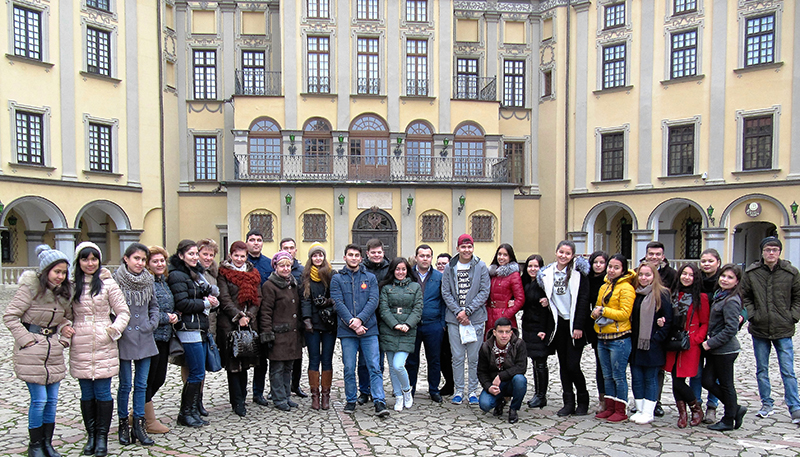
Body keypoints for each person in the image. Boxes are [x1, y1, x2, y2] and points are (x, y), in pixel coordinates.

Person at [4, 245, 73, 457]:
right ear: (46, 271)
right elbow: (10, 316)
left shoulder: (63, 294)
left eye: (63, 272)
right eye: (57, 272)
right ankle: (35, 446)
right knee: (39, 400)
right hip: (32, 351)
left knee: (52, 400)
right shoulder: (30, 289)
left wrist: (64, 335)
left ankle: (47, 443)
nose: (60, 276)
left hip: (53, 351)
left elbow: (65, 318)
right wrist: (26, 341)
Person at [70, 242, 130, 457]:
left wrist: (113, 330)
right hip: (81, 343)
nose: (90, 263)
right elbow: (64, 315)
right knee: (86, 393)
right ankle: (91, 435)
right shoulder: (71, 286)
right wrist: (65, 329)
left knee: (103, 391)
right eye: (85, 259)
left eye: (94, 259)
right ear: (79, 261)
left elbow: (123, 311)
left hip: (104, 341)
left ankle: (102, 437)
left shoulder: (107, 284)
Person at [741, 236, 800, 423]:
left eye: (774, 249)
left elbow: (798, 297)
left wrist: (793, 316)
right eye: (768, 249)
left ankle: (795, 406)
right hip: (760, 327)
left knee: (788, 370)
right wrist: (753, 314)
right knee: (762, 369)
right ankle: (767, 403)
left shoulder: (790, 273)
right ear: (762, 252)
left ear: (779, 252)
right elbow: (745, 296)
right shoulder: (752, 273)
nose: (771, 253)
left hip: (783, 327)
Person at [331, 244, 389, 417]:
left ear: (361, 258)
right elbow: (337, 302)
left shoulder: (369, 278)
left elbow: (373, 300)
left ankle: (379, 401)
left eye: (357, 255)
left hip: (368, 329)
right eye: (350, 255)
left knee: (374, 366)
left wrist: (360, 320)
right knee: (349, 367)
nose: (354, 258)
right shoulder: (337, 279)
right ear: (345, 257)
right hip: (347, 331)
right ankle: (350, 399)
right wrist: (352, 322)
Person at [168, 240, 219, 427]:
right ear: (181, 255)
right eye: (191, 254)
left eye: (195, 254)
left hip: (200, 327)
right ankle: (185, 413)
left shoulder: (195, 274)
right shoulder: (178, 275)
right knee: (196, 373)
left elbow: (198, 297)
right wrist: (206, 304)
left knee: (198, 372)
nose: (195, 257)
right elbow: (182, 303)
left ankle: (192, 411)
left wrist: (211, 301)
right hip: (189, 329)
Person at [537, 240, 591, 416]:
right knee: (562, 365)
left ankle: (583, 400)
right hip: (558, 324)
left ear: (572, 255)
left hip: (574, 324)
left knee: (573, 364)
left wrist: (579, 326)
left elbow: (583, 300)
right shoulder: (547, 273)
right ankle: (568, 401)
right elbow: (544, 295)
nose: (563, 256)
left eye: (568, 253)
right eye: (561, 252)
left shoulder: (578, 273)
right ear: (556, 252)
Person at [114, 243, 159, 446]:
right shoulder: (115, 281)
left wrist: (152, 322)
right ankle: (123, 423)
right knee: (125, 385)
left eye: (143, 260)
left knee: (141, 384)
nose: (140, 263)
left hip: (145, 335)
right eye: (136, 259)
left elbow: (154, 305)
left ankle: (139, 425)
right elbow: (109, 308)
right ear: (126, 258)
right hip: (124, 337)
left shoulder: (149, 280)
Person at [441, 234, 491, 406]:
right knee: (457, 356)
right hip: (454, 319)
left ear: (473, 248)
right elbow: (446, 292)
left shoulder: (481, 266)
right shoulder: (450, 267)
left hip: (475, 319)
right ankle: (458, 390)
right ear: (457, 248)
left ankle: (472, 391)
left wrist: (468, 311)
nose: (466, 250)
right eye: (463, 247)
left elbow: (484, 291)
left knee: (474, 357)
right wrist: (458, 312)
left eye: (469, 247)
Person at [217, 241, 262, 417]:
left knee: (245, 362)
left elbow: (258, 297)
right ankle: (237, 401)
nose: (239, 259)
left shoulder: (253, 273)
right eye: (236, 255)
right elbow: (224, 298)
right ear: (230, 255)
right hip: (229, 324)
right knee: (233, 363)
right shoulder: (223, 273)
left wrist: (249, 316)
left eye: (242, 256)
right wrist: (238, 316)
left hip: (249, 323)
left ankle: (243, 396)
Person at [702, 264, 747, 431]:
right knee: (707, 380)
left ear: (736, 282)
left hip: (725, 350)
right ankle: (735, 408)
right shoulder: (720, 295)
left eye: (730, 278)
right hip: (717, 350)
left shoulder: (731, 300)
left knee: (727, 384)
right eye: (723, 276)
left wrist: (710, 343)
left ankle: (729, 419)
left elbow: (731, 329)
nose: (725, 280)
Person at [592, 254, 635, 423]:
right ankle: (609, 407)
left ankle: (620, 409)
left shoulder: (626, 288)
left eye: (616, 267)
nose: (611, 270)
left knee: (618, 375)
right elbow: (597, 307)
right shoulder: (605, 286)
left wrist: (603, 311)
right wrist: (595, 313)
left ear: (623, 270)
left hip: (619, 338)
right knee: (606, 375)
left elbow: (625, 313)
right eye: (610, 266)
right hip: (603, 335)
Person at [665, 264, 709, 428]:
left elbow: (705, 323)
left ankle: (695, 409)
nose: (687, 277)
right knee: (676, 379)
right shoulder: (673, 294)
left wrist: (696, 339)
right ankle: (682, 413)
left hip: (689, 342)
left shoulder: (701, 297)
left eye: (691, 275)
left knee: (680, 379)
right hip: (674, 341)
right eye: (684, 274)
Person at [628, 262, 672, 425]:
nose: (644, 278)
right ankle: (639, 408)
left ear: (654, 276)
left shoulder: (662, 294)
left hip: (653, 345)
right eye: (641, 275)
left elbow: (668, 321)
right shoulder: (636, 293)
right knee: (637, 377)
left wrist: (657, 338)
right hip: (636, 343)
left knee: (651, 378)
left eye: (648, 275)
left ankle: (648, 411)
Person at [260, 251, 303, 412]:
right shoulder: (270, 286)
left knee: (288, 367)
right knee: (277, 368)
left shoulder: (292, 283)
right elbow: (265, 312)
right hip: (278, 333)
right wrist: (267, 333)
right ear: (275, 266)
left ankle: (286, 395)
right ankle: (278, 398)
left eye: (288, 265)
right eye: (282, 265)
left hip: (292, 333)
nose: (285, 268)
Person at [379, 257, 424, 412]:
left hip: (407, 332)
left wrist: (407, 324)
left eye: (403, 269)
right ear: (392, 271)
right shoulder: (385, 288)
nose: (400, 272)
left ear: (408, 270)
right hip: (389, 330)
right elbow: (383, 309)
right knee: (392, 367)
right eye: (397, 269)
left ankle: (406, 390)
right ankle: (398, 396)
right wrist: (395, 324)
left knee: (399, 365)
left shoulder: (415, 287)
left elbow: (417, 309)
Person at [144, 246, 178, 434]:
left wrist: (175, 316)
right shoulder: (147, 282)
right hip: (151, 337)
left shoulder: (163, 281)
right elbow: (146, 311)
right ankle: (148, 420)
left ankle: (138, 412)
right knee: (149, 379)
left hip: (165, 336)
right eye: (155, 261)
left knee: (160, 378)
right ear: (148, 264)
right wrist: (167, 317)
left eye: (162, 261)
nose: (159, 264)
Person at [406, 245, 446, 403]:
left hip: (433, 324)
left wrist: (442, 323)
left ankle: (434, 389)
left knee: (434, 359)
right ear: (416, 257)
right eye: (421, 255)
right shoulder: (408, 275)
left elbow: (444, 301)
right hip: (412, 325)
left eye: (428, 256)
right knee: (411, 360)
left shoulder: (439, 277)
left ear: (431, 258)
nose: (424, 258)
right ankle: (410, 389)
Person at [300, 242, 337, 410]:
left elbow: (336, 296)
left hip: (328, 323)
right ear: (311, 258)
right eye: (315, 255)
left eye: (320, 255)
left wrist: (328, 302)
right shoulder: (305, 276)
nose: (318, 258)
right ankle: (315, 395)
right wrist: (306, 319)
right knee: (314, 359)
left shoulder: (331, 274)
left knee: (327, 359)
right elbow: (304, 299)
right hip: (312, 325)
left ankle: (326, 395)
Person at [643, 241, 677, 417]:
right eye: (651, 254)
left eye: (658, 254)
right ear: (646, 254)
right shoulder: (639, 271)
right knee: (640, 366)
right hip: (641, 326)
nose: (654, 257)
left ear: (663, 256)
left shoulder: (671, 274)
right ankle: (641, 400)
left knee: (658, 368)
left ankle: (655, 401)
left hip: (660, 327)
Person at [356, 238, 390, 405]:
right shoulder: (360, 269)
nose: (377, 255)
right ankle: (364, 390)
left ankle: (377, 390)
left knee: (378, 359)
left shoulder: (389, 269)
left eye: (379, 252)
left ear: (383, 253)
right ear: (367, 254)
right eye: (373, 253)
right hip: (365, 318)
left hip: (383, 319)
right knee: (363, 360)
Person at [477, 317, 528, 424]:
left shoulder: (519, 344)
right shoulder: (486, 347)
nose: (504, 335)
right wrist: (488, 387)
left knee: (520, 380)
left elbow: (521, 367)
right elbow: (481, 371)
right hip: (494, 384)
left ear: (511, 333)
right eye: (500, 332)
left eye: (507, 332)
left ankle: (513, 409)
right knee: (485, 405)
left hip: (511, 381)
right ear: (494, 332)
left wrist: (501, 376)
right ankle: (501, 401)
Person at [520, 254, 552, 408]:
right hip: (528, 326)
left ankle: (541, 395)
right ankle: (537, 393)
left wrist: (544, 329)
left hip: (540, 327)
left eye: (536, 266)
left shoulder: (544, 284)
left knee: (540, 362)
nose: (533, 269)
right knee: (534, 361)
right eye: (530, 266)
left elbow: (551, 308)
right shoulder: (526, 282)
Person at [696, 248, 722, 423]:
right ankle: (695, 405)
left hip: (717, 332)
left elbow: (740, 300)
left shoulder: (725, 280)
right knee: (696, 372)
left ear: (718, 263)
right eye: (704, 261)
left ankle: (712, 407)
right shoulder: (696, 280)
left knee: (714, 373)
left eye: (710, 261)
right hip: (698, 332)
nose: (706, 264)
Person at [280, 237, 308, 399]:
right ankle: (278, 388)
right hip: (282, 318)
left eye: (291, 248)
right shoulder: (277, 269)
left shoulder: (301, 271)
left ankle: (295, 385)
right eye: (285, 248)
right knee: (280, 356)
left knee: (297, 355)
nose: (288, 250)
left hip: (298, 319)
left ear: (295, 250)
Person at [195, 239, 220, 418]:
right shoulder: (191, 273)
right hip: (193, 324)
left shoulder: (212, 273)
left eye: (211, 255)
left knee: (202, 365)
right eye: (205, 254)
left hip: (210, 324)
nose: (208, 258)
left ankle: (199, 399)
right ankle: (193, 400)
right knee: (193, 366)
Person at [586, 251, 609, 413]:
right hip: (594, 327)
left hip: (611, 326)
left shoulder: (609, 282)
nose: (598, 265)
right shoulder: (587, 280)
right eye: (596, 262)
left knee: (610, 366)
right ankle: (602, 398)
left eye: (602, 262)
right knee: (600, 364)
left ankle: (612, 399)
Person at [486, 244, 524, 338]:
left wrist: (506, 314)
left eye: (505, 255)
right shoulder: (492, 274)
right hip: (490, 316)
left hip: (505, 318)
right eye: (499, 254)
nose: (501, 257)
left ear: (510, 257)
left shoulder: (514, 275)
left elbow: (520, 299)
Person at [435, 252, 455, 397]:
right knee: (442, 356)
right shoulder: (435, 280)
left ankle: (453, 383)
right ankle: (449, 383)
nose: (441, 266)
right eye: (439, 264)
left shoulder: (453, 280)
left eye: (444, 264)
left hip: (453, 321)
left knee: (453, 356)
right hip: (440, 323)